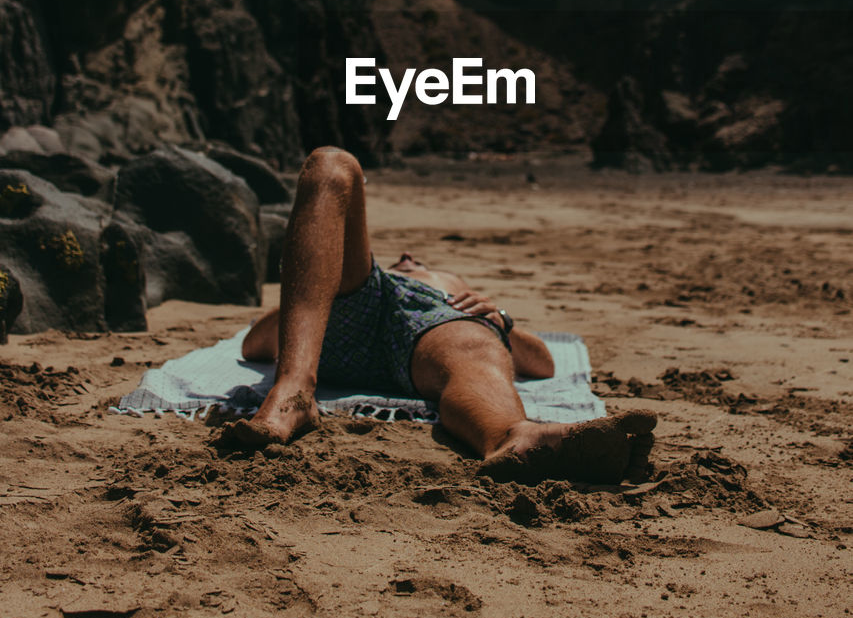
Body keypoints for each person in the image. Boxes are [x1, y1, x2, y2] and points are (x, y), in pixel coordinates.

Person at [224, 147, 656, 483]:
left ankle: (512, 438)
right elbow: (254, 343)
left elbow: (542, 363)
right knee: (330, 164)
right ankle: (296, 393)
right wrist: (316, 294)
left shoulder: (453, 288)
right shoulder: (355, 281)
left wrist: (501, 319)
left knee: (471, 344)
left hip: (434, 326)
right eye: (404, 258)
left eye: (414, 258)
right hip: (356, 308)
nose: (408, 255)